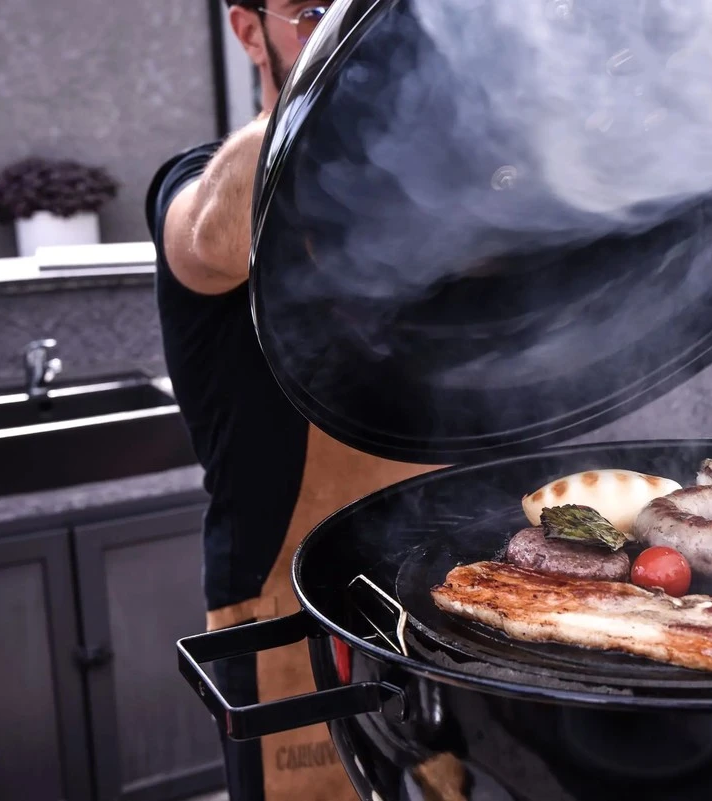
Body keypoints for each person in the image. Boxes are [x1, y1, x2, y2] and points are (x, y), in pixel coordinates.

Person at [145, 3, 438, 800]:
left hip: (444, 590)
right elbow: (211, 240)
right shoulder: (201, 181)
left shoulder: (437, 193)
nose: (353, 30)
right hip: (291, 609)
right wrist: (336, 74)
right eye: (318, 10)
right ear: (248, 31)